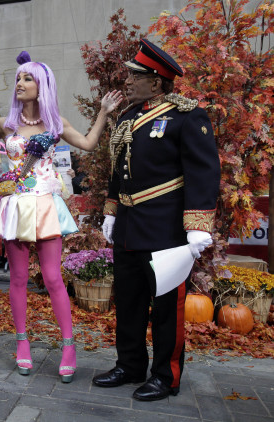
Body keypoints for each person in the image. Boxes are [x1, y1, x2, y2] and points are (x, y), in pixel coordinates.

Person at [0, 50, 123, 383]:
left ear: (42, 84)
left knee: (52, 278)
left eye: (27, 78)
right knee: (17, 279)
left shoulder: (56, 124)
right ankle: (22, 344)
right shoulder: (7, 124)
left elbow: (89, 143)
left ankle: (69, 346)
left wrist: (104, 112)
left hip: (46, 206)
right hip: (16, 207)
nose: (20, 83)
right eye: (18, 78)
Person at [92, 39, 220, 401]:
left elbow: (204, 172)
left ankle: (166, 376)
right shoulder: (128, 117)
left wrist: (198, 224)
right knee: (129, 301)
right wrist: (112, 210)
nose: (127, 82)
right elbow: (120, 170)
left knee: (167, 308)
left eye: (135, 76)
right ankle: (129, 365)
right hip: (131, 227)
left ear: (158, 81)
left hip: (167, 230)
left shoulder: (187, 115)